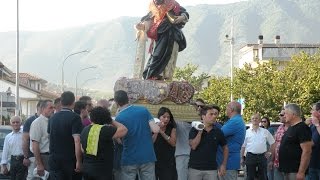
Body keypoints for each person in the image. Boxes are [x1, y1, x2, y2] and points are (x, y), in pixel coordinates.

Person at [136, 0, 189, 80]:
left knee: (164, 55)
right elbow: (149, 20)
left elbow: (183, 13)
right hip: (157, 35)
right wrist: (142, 26)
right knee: (154, 56)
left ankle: (159, 75)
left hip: (170, 34)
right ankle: (152, 75)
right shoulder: (153, 6)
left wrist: (182, 17)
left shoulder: (172, 4)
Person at [114, 90, 160, 180]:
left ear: (116, 102)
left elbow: (119, 140)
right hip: (147, 155)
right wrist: (159, 125)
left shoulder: (119, 117)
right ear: (128, 99)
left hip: (129, 156)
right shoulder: (143, 110)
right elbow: (155, 129)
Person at [80, 106, 128, 180]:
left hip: (87, 168)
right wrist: (110, 120)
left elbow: (82, 149)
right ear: (105, 118)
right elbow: (124, 130)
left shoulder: (85, 130)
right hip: (102, 170)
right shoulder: (105, 130)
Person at [48, 91, 83, 180]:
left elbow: (49, 137)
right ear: (73, 103)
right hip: (70, 160)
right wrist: (79, 161)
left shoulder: (52, 118)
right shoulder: (75, 117)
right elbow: (77, 140)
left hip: (54, 159)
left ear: (61, 102)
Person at [188, 105, 228, 180]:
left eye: (215, 114)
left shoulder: (218, 131)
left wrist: (223, 164)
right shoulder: (194, 129)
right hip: (195, 169)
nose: (214, 116)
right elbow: (193, 146)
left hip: (211, 170)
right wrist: (200, 131)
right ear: (203, 116)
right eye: (211, 114)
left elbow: (225, 148)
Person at [279, 103, 313, 180]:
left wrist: (301, 172)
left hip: (295, 171)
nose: (284, 116)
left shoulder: (302, 128)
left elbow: (307, 151)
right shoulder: (291, 127)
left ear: (293, 114)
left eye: (286, 113)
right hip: (287, 170)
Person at [241, 113, 275, 180]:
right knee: (250, 177)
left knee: (263, 177)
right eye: (253, 118)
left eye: (256, 118)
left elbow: (273, 143)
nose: (254, 120)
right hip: (250, 156)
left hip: (262, 157)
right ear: (251, 120)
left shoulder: (265, 131)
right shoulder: (246, 132)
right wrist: (241, 158)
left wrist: (270, 152)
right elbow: (243, 146)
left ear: (259, 120)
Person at [217, 101, 246, 180]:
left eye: (227, 108)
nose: (226, 110)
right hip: (231, 160)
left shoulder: (235, 121)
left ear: (232, 109)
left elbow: (218, 135)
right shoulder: (238, 120)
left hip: (229, 162)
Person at [29, 99, 54, 178]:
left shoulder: (51, 121)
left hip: (52, 157)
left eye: (53, 108)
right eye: (50, 108)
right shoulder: (37, 123)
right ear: (43, 109)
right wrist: (39, 164)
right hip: (43, 157)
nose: (53, 110)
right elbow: (35, 145)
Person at [153, 107, 177, 180]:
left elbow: (173, 143)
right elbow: (151, 142)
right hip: (154, 160)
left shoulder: (172, 128)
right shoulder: (153, 127)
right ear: (159, 117)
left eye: (168, 117)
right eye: (164, 117)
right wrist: (157, 130)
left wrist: (162, 132)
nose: (166, 119)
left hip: (168, 161)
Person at [22, 100, 42, 180]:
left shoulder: (49, 119)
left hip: (45, 155)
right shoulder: (30, 121)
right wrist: (26, 157)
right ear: (38, 108)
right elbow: (25, 140)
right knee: (33, 177)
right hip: (32, 156)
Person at [271, 109, 289, 180]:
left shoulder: (294, 128)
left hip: (289, 165)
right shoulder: (280, 127)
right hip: (277, 163)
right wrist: (272, 160)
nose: (279, 116)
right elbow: (275, 144)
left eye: (281, 115)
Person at [260, 116, 275, 180]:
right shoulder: (262, 130)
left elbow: (272, 142)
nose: (263, 123)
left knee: (269, 170)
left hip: (269, 150)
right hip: (263, 151)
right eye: (262, 121)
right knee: (265, 171)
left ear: (268, 122)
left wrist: (270, 152)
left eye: (265, 121)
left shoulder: (270, 129)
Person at [309, 102, 320, 179]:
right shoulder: (312, 125)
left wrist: (317, 125)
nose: (311, 112)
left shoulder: (316, 124)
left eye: (313, 110)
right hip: (312, 163)